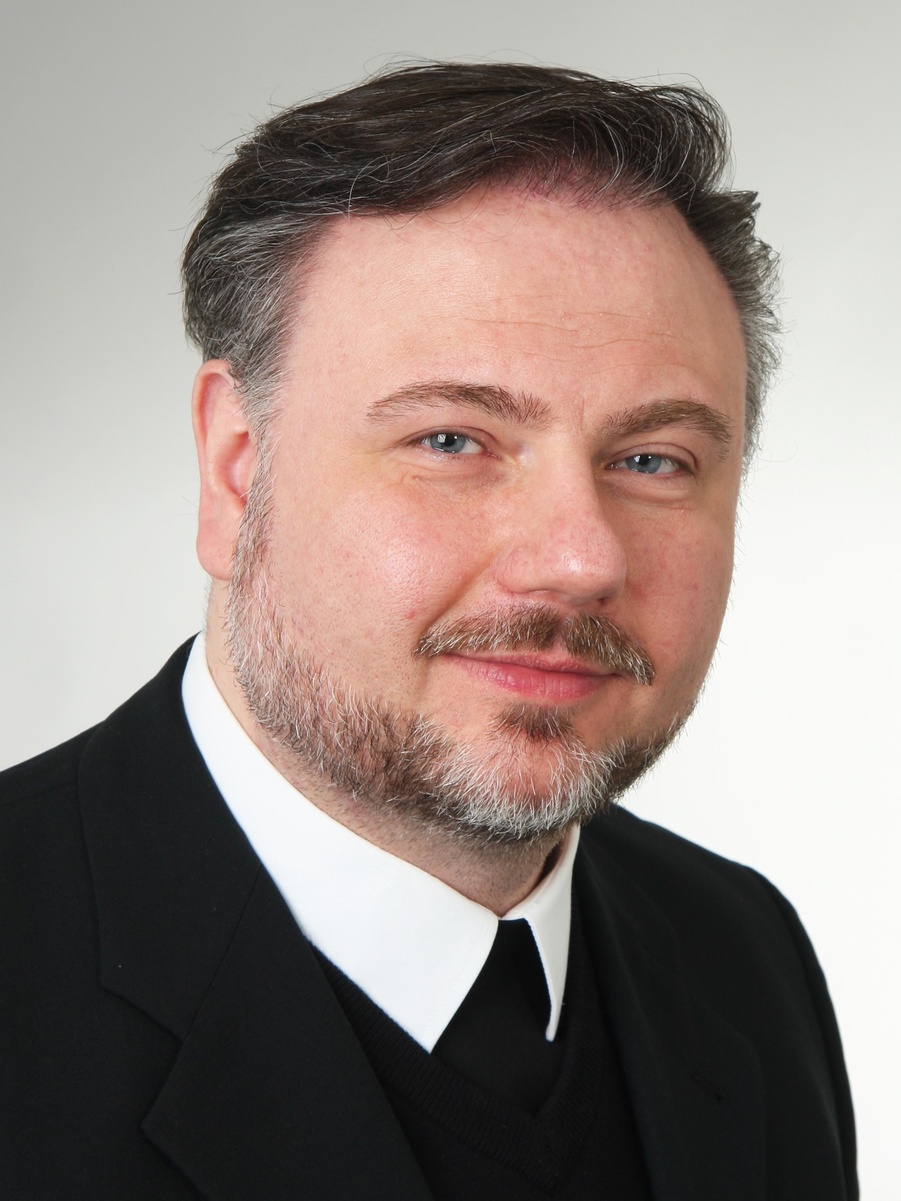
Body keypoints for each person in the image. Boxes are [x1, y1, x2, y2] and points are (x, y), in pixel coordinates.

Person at [0, 62, 857, 1199]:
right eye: (452, 440)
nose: (579, 559)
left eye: (652, 460)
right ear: (235, 469)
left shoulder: (742, 954)